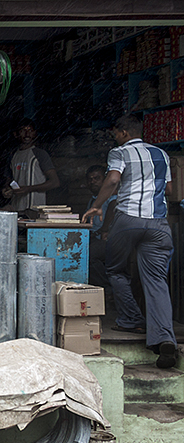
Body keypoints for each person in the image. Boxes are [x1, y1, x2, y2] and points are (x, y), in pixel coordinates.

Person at [83, 114, 177, 369]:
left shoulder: (120, 152)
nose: (114, 137)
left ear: (124, 132)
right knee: (157, 280)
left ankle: (131, 319)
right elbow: (168, 190)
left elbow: (113, 179)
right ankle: (164, 338)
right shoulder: (162, 154)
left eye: (115, 133)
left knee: (115, 269)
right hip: (159, 224)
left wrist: (97, 206)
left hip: (128, 221)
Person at [2, 118, 61, 212]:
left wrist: (29, 189)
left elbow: (55, 182)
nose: (27, 134)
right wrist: (6, 190)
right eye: (23, 131)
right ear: (15, 134)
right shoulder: (13, 156)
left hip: (35, 211)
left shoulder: (39, 154)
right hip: (16, 210)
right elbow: (8, 182)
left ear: (35, 133)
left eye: (30, 130)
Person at [85, 165, 117, 293]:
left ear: (105, 180)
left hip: (109, 240)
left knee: (88, 255)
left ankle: (107, 289)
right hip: (94, 238)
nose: (92, 181)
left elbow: (114, 207)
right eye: (90, 179)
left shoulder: (111, 197)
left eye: (97, 178)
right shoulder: (93, 200)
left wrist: (104, 230)